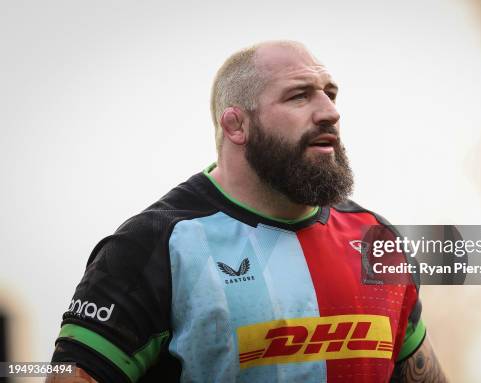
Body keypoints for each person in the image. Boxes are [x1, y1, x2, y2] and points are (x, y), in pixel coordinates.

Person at [48, 41, 447, 382]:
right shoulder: (152, 246)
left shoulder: (377, 240)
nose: (329, 112)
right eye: (299, 95)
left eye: (331, 93)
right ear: (237, 125)